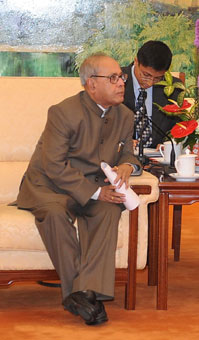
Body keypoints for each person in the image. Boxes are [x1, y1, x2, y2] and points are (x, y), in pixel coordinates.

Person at [16, 54, 141, 325]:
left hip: (92, 187)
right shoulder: (64, 112)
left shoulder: (125, 115)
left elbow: (129, 154)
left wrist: (128, 168)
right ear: (91, 85)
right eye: (113, 78)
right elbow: (53, 165)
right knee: (55, 212)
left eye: (121, 77)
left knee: (109, 209)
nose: (121, 83)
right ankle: (82, 294)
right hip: (49, 185)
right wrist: (96, 192)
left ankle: (82, 293)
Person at [122, 40, 182, 149]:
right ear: (136, 61)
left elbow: (177, 126)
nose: (150, 82)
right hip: (124, 156)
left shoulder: (173, 87)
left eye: (158, 78)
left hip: (159, 158)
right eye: (146, 75)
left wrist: (168, 144)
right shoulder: (116, 81)